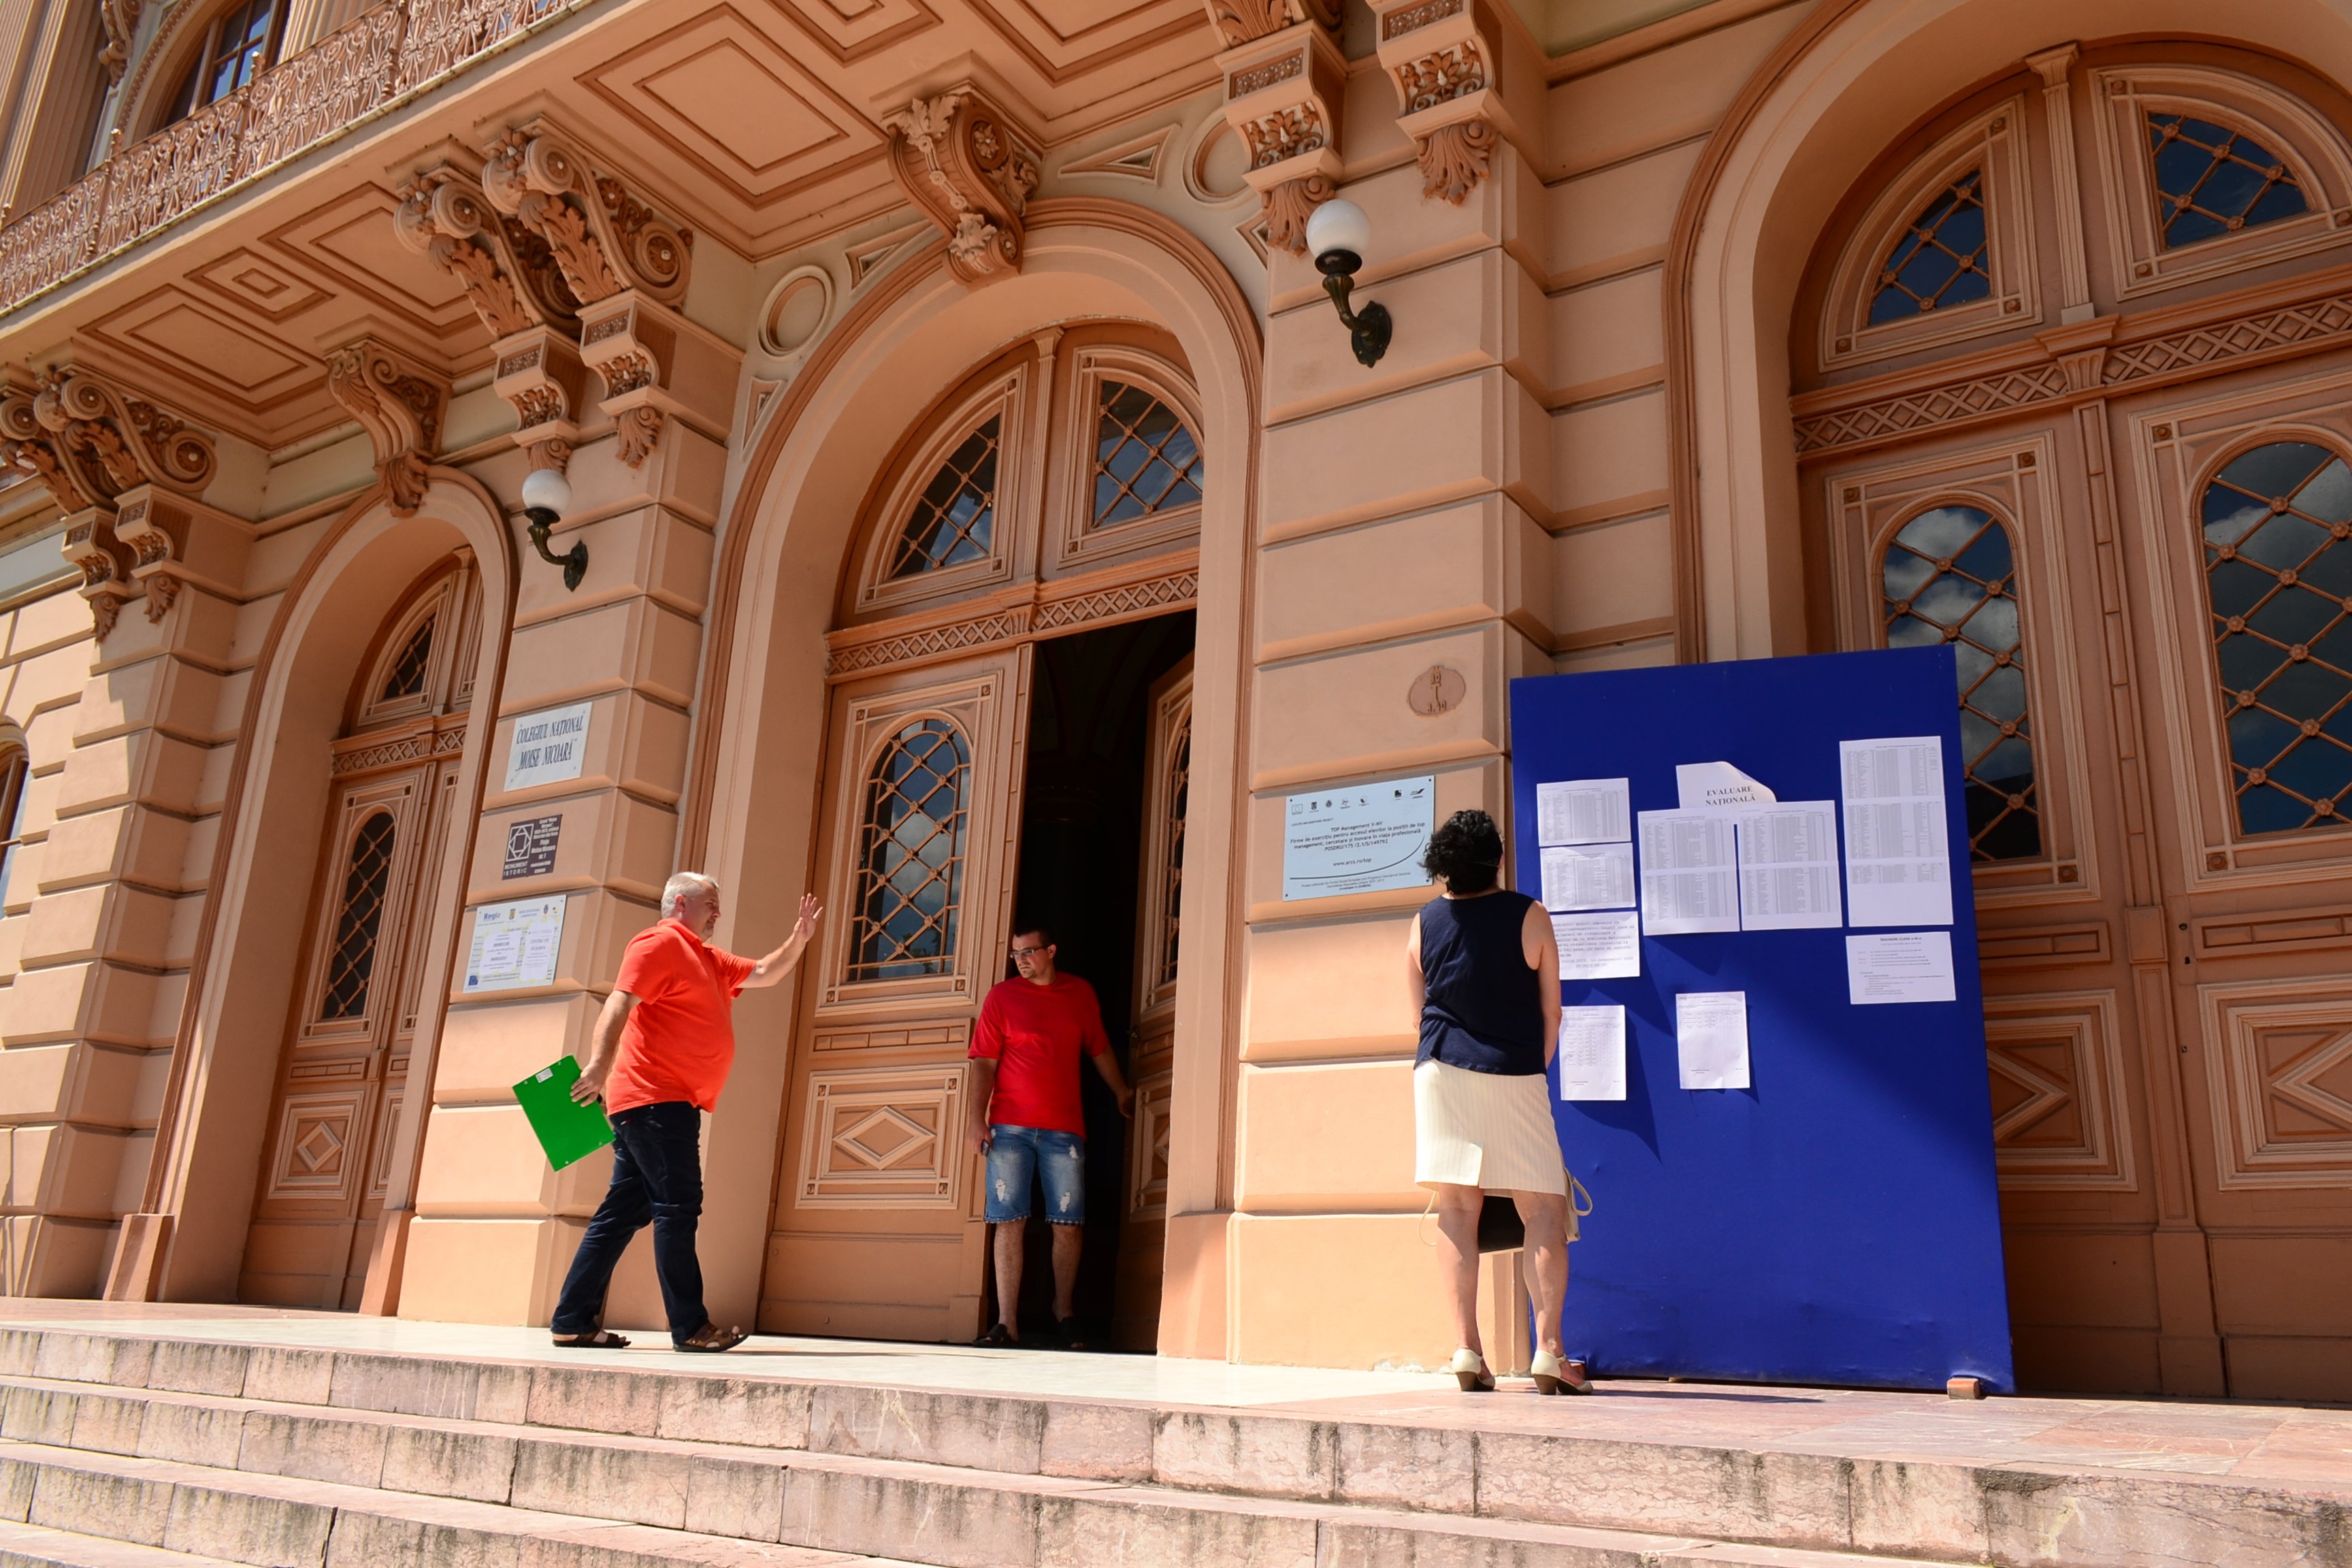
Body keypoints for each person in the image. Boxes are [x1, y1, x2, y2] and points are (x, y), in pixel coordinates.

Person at [551, 872, 821, 1352]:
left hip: (664, 1104)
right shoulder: (658, 943)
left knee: (622, 1214)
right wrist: (598, 1065)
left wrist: (798, 939)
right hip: (656, 1100)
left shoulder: (708, 958)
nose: (718, 912)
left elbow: (765, 972)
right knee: (678, 1208)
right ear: (680, 903)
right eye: (710, 903)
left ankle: (572, 1320)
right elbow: (619, 1003)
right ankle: (691, 1327)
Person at [1405, 808, 1588, 1394]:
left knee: (1457, 1208)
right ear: (1498, 860)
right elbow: (1552, 1009)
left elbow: (1418, 1013)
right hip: (1512, 1068)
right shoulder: (1529, 915)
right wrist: (1534, 1068)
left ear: (1443, 865)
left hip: (1438, 1069)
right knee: (1543, 1207)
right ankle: (1550, 1352)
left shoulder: (1423, 923)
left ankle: (1467, 1349)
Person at [964, 921, 1132, 1349]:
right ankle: (1007, 1322)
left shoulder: (1079, 994)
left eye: (1028, 952)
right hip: (1009, 1128)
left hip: (1064, 1131)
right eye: (1015, 954)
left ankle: (1065, 1311)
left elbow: (1099, 1048)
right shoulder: (1001, 997)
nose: (1020, 961)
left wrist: (1121, 1091)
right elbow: (983, 1061)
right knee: (1009, 1222)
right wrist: (975, 1119)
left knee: (1068, 1225)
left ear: (1051, 951)